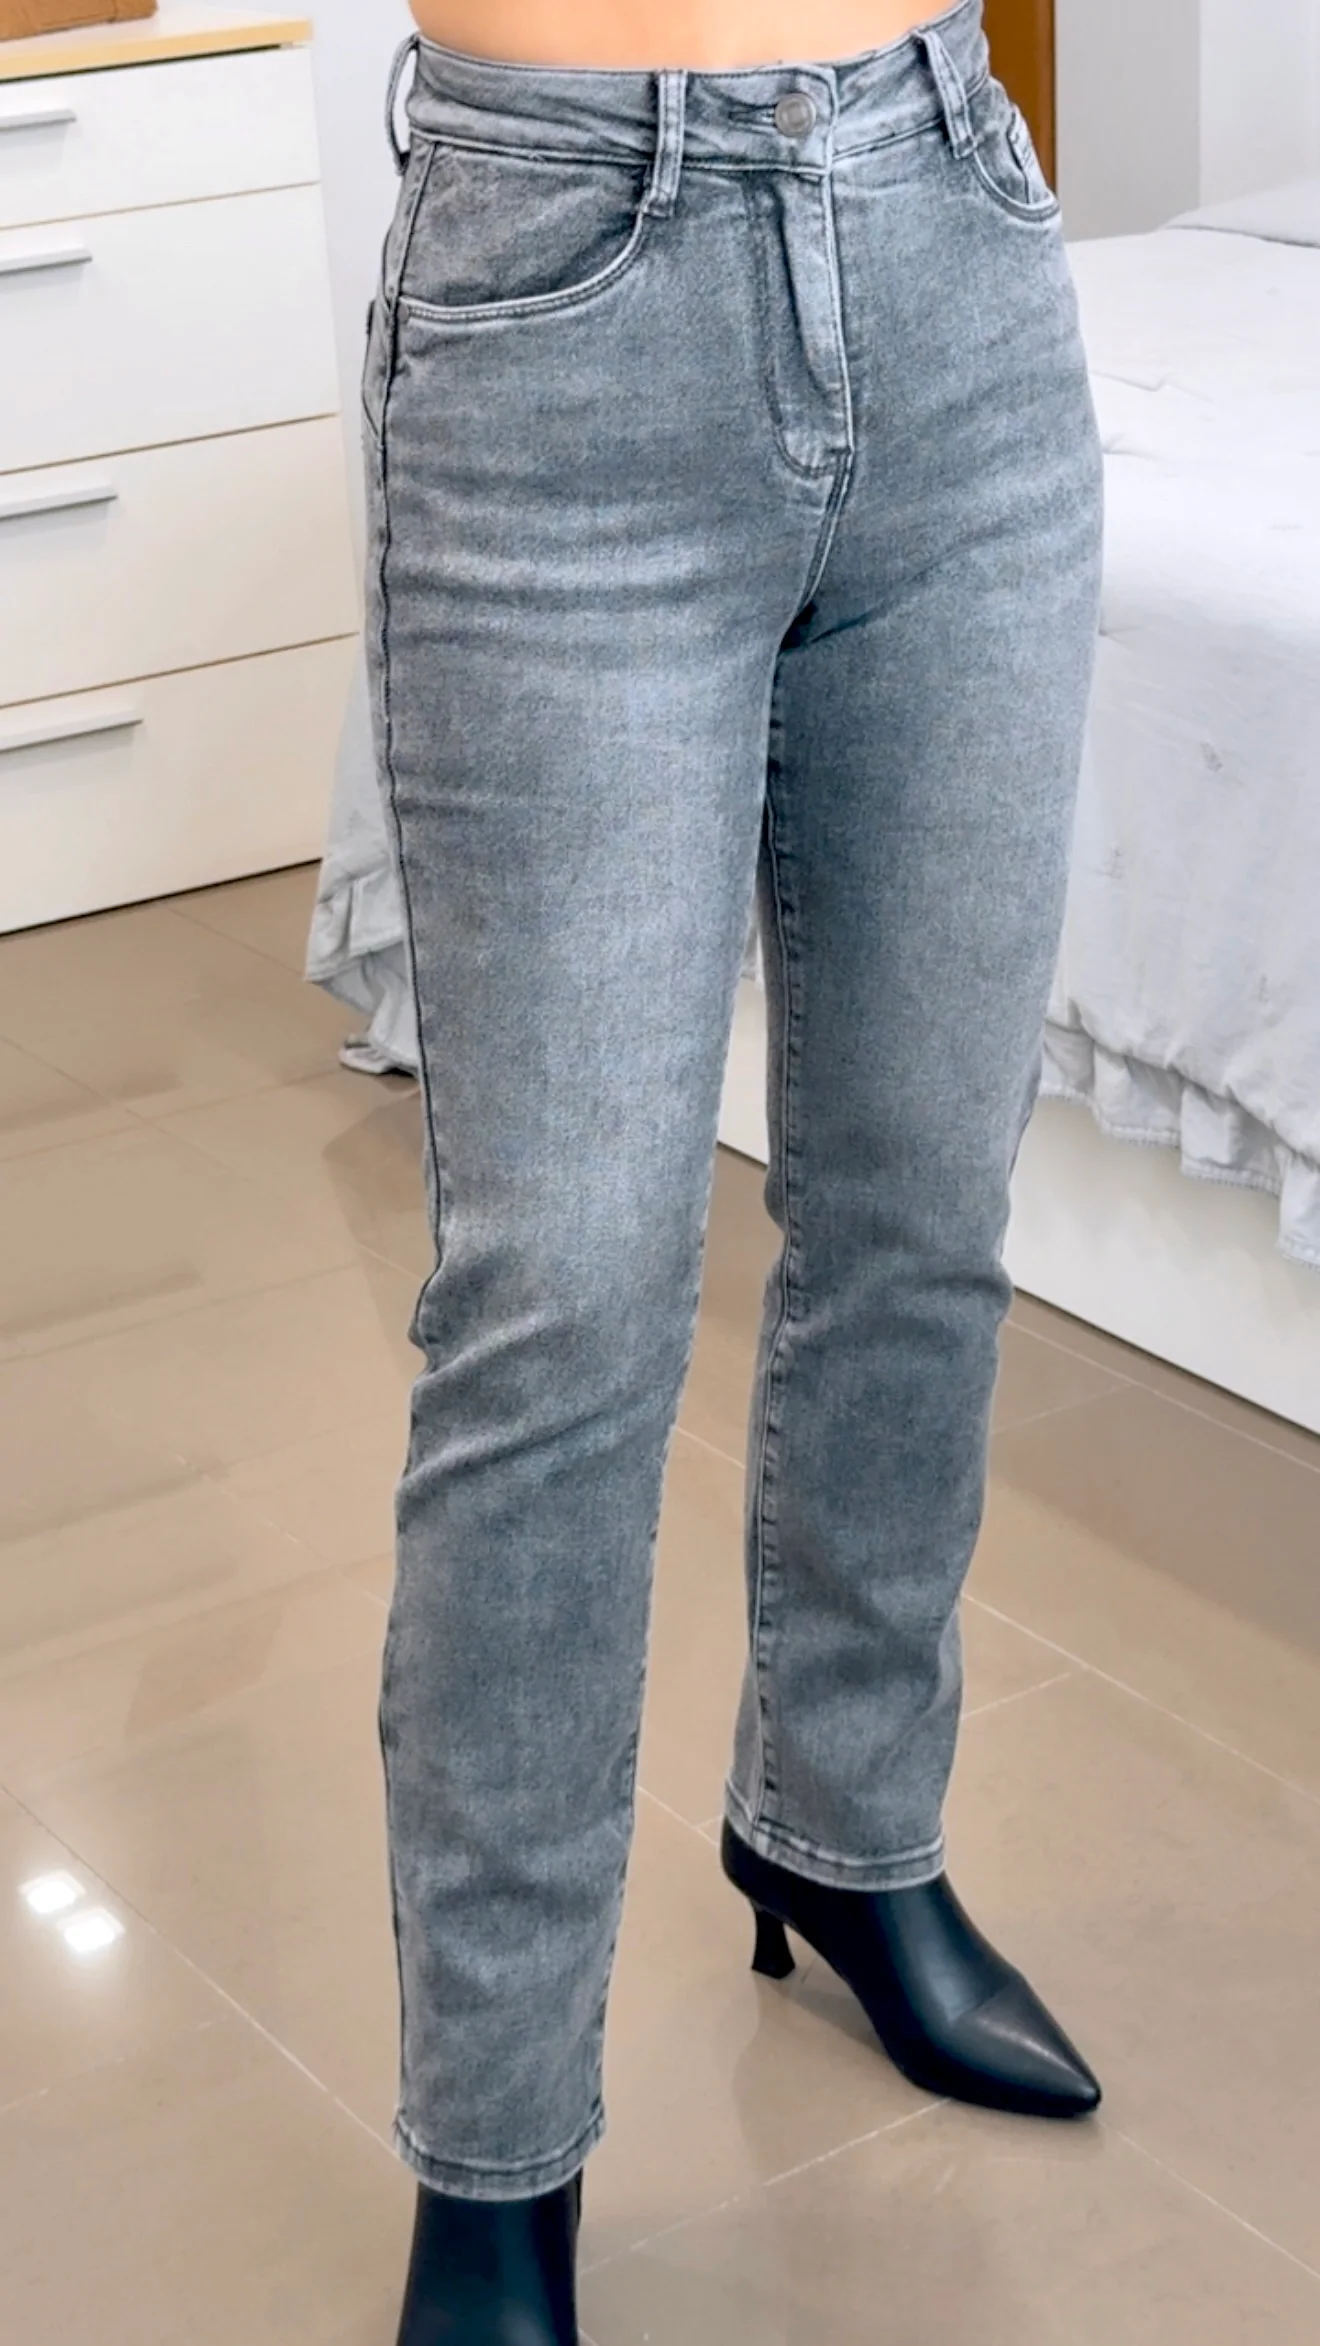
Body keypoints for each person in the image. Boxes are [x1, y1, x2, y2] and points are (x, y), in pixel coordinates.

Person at [363, 2, 1105, 2336]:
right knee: (563, 1307)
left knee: (923, 1206)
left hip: (954, 227)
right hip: (563, 282)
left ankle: (848, 1830)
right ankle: (496, 2157)